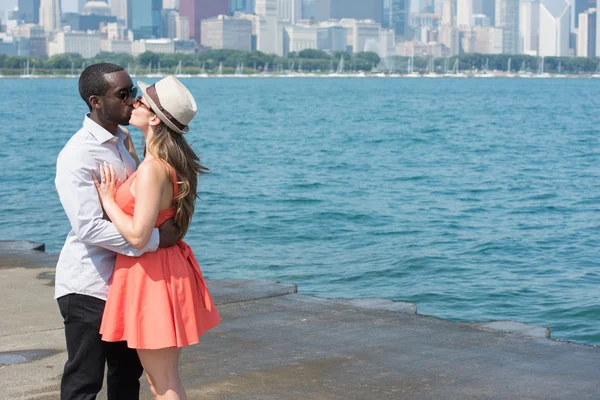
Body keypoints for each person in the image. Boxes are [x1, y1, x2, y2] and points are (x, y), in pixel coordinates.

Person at [54, 63, 180, 400]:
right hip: (88, 285)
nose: (133, 102)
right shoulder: (78, 154)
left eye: (134, 93)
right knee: (84, 381)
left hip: (127, 284)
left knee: (127, 378)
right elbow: (89, 227)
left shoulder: (123, 141)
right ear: (96, 101)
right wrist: (153, 241)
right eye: (123, 95)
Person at [94, 75, 221, 400]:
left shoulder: (154, 169)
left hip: (152, 277)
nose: (133, 102)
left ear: (153, 117)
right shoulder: (158, 164)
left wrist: (109, 201)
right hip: (161, 272)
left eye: (140, 100)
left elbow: (138, 235)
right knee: (163, 380)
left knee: (161, 383)